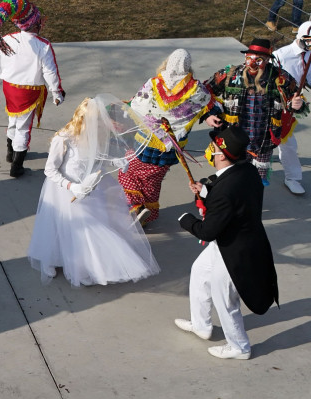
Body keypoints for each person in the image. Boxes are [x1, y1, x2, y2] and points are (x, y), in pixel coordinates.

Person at [28, 96, 160, 287]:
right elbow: (50, 170)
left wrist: (114, 162)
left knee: (92, 225)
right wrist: (72, 187)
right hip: (65, 190)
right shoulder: (63, 139)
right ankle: (51, 259)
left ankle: (90, 265)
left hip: (90, 188)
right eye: (97, 122)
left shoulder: (96, 136)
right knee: (64, 226)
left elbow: (97, 160)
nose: (101, 126)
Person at [174, 125, 280, 360]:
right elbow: (233, 200)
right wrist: (205, 192)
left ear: (221, 155)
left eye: (212, 147)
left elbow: (207, 231)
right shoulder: (247, 171)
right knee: (199, 272)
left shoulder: (226, 190)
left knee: (225, 298)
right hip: (231, 239)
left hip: (234, 249)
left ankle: (239, 347)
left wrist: (186, 220)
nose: (209, 150)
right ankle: (201, 325)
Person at [118, 49, 221, 224]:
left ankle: (135, 206)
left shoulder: (153, 83)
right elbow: (209, 105)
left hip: (145, 144)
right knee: (153, 180)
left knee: (126, 170)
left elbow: (137, 103)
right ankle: (147, 211)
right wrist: (209, 116)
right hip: (171, 149)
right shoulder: (196, 89)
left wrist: (126, 105)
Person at [205, 38, 307, 184]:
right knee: (231, 178)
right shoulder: (229, 74)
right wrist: (209, 114)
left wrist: (298, 104)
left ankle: (253, 201)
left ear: (267, 60)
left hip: (263, 140)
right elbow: (203, 94)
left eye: (258, 60)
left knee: (258, 181)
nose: (252, 63)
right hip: (234, 139)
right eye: (249, 58)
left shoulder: (280, 78)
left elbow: (298, 102)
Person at [0, 0, 65, 177]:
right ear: (35, 23)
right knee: (23, 127)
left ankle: (10, 153)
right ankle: (17, 166)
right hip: (28, 93)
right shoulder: (43, 45)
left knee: (13, 119)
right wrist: (56, 92)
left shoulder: (7, 39)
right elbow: (50, 72)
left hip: (10, 90)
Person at [273, 22, 311, 194]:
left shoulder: (309, 56)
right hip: (272, 105)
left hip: (291, 108)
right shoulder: (280, 56)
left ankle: (292, 178)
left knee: (288, 144)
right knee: (257, 142)